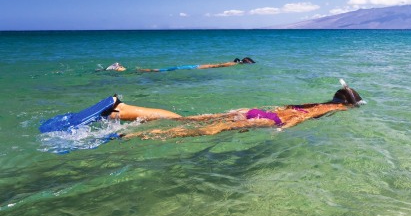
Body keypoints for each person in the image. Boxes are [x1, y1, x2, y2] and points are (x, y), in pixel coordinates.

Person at [109, 82, 363, 140]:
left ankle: (123, 111)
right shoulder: (328, 109)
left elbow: (289, 108)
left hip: (256, 110)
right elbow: (297, 116)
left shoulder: (315, 102)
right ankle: (137, 136)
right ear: (348, 105)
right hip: (267, 120)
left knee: (195, 119)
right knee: (207, 131)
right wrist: (283, 129)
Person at [136, 57, 255, 72]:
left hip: (198, 66)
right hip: (196, 67)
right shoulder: (232, 65)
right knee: (166, 70)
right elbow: (218, 66)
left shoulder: (232, 63)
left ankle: (145, 70)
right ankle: (145, 70)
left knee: (169, 69)